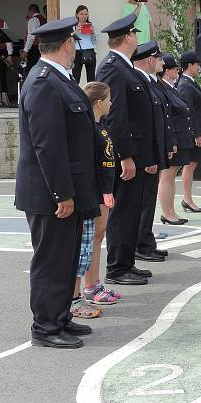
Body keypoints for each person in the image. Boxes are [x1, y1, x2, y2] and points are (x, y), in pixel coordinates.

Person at [14, 16, 98, 348]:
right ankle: (46, 328)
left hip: (65, 190)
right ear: (67, 45)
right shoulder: (44, 82)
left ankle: (61, 317)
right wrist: (62, 193)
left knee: (65, 258)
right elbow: (47, 145)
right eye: (74, 43)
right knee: (51, 261)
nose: (75, 49)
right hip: (51, 194)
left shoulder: (57, 79)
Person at [95, 13, 155, 286]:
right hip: (127, 154)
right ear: (128, 37)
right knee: (123, 212)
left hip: (137, 152)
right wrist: (125, 155)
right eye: (135, 33)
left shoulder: (124, 66)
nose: (137, 37)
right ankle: (117, 268)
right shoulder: (112, 67)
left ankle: (127, 262)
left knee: (131, 210)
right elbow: (114, 116)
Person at [78, 81, 121, 310]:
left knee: (99, 236)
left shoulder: (99, 125)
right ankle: (91, 286)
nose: (111, 103)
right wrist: (103, 192)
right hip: (96, 192)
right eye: (109, 99)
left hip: (105, 189)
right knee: (93, 239)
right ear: (98, 102)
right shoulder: (89, 129)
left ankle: (94, 283)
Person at [132, 40, 176, 263]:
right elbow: (142, 123)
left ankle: (146, 242)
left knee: (148, 201)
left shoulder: (152, 82)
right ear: (149, 60)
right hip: (145, 153)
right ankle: (141, 244)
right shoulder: (142, 80)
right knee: (143, 203)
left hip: (155, 150)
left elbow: (162, 118)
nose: (162, 62)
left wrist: (166, 144)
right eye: (159, 59)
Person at [156, 54, 194, 224]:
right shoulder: (161, 88)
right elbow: (167, 118)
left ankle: (171, 211)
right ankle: (167, 212)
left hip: (179, 137)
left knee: (171, 177)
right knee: (167, 176)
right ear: (167, 71)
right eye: (175, 69)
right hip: (173, 138)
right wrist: (171, 141)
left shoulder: (171, 87)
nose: (177, 72)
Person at [175, 51, 201, 212]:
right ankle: (187, 199)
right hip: (192, 133)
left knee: (192, 165)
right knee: (189, 166)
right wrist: (196, 134)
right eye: (197, 64)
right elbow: (188, 111)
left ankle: (187, 199)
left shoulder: (190, 82)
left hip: (196, 130)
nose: (199, 67)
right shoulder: (185, 85)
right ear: (189, 65)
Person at [73, 5, 97, 83]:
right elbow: (70, 41)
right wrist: (76, 31)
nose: (84, 16)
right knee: (76, 77)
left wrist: (92, 32)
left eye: (86, 14)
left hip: (89, 51)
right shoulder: (73, 26)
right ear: (77, 15)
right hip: (77, 52)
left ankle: (90, 94)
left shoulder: (90, 25)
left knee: (91, 78)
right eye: (81, 14)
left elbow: (94, 41)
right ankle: (76, 94)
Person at [21, 3, 46, 78]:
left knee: (30, 70)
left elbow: (31, 36)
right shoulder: (43, 19)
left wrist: (25, 50)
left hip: (35, 48)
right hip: (43, 47)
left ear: (31, 11)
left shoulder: (33, 20)